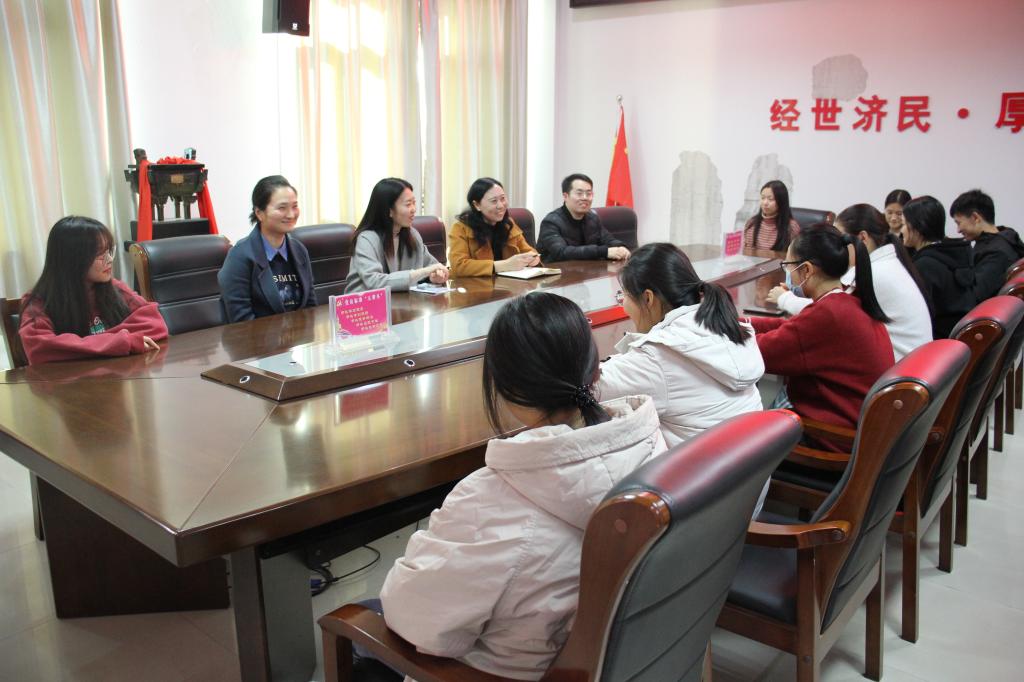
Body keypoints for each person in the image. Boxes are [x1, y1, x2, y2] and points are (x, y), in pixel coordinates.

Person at [379, 292, 666, 679]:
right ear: (595, 369)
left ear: (504, 386)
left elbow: (415, 619)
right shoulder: (651, 445)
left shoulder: (490, 499)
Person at [597, 242, 764, 446]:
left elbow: (586, 389)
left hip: (697, 466)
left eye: (624, 296)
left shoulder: (658, 357)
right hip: (748, 462)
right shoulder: (724, 327)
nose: (623, 304)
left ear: (648, 299)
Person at [750, 225, 894, 446]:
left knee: (742, 440)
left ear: (806, 270)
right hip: (856, 427)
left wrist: (718, 332)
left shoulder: (830, 314)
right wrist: (740, 322)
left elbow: (762, 352)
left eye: (788, 266)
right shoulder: (845, 299)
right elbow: (791, 327)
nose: (788, 274)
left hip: (833, 440)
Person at [768, 204, 931, 360]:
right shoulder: (886, 264)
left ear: (862, 238)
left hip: (896, 367)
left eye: (842, 242)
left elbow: (830, 314)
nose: (836, 248)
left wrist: (785, 298)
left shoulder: (876, 272)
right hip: (906, 361)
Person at [18, 216, 167, 365]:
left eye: (110, 251)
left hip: (115, 374)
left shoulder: (114, 288)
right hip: (68, 378)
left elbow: (155, 323)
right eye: (100, 254)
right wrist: (119, 341)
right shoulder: (38, 302)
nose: (109, 259)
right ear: (72, 259)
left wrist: (98, 344)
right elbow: (40, 348)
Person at [218, 175, 316, 321]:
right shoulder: (239, 256)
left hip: (299, 335)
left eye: (294, 206)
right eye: (282, 208)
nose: (291, 214)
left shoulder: (299, 250)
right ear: (259, 213)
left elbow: (310, 307)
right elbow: (241, 321)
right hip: (255, 335)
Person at [344, 178, 449, 293]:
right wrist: (425, 272)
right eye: (408, 204)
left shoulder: (413, 235)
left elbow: (432, 267)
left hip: (401, 301)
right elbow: (375, 282)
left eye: (414, 203)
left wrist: (434, 276)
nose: (414, 209)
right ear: (389, 210)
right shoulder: (367, 239)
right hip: (364, 303)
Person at [902, 195, 977, 339]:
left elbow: (914, 317)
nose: (902, 230)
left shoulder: (924, 266)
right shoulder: (955, 253)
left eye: (904, 224)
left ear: (917, 228)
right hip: (959, 337)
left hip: (939, 341)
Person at [448, 177, 540, 276]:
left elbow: (528, 251)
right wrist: (503, 265)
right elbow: (459, 265)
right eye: (494, 201)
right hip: (475, 285)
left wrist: (533, 259)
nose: (500, 205)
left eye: (503, 198)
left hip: (508, 283)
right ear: (477, 205)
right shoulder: (460, 228)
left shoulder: (508, 224)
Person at [536, 173, 629, 262]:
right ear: (565, 196)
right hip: (557, 271)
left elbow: (608, 239)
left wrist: (620, 247)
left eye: (589, 194)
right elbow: (561, 252)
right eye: (579, 193)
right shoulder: (551, 222)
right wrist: (604, 251)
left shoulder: (593, 219)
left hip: (587, 271)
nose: (585, 198)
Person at [950, 189, 1024, 300]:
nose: (958, 230)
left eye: (959, 223)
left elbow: (975, 296)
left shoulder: (996, 253)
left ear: (975, 218)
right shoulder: (1004, 240)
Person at [743, 180, 800, 251]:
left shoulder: (791, 227)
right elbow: (746, 252)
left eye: (770, 199)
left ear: (781, 201)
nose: (765, 203)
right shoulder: (751, 224)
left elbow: (794, 255)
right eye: (763, 198)